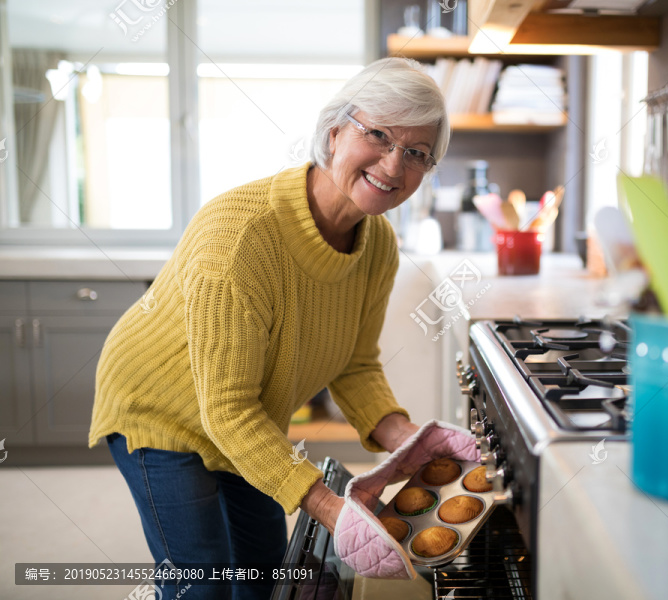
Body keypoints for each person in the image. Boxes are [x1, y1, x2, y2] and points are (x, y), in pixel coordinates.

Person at [88, 57, 457, 599]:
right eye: (377, 134)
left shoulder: (378, 244)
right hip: (158, 407)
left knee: (263, 571)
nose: (393, 163)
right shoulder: (240, 238)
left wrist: (410, 440)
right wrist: (330, 506)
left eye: (416, 152)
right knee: (205, 580)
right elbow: (226, 409)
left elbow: (355, 363)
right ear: (334, 134)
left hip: (245, 415)